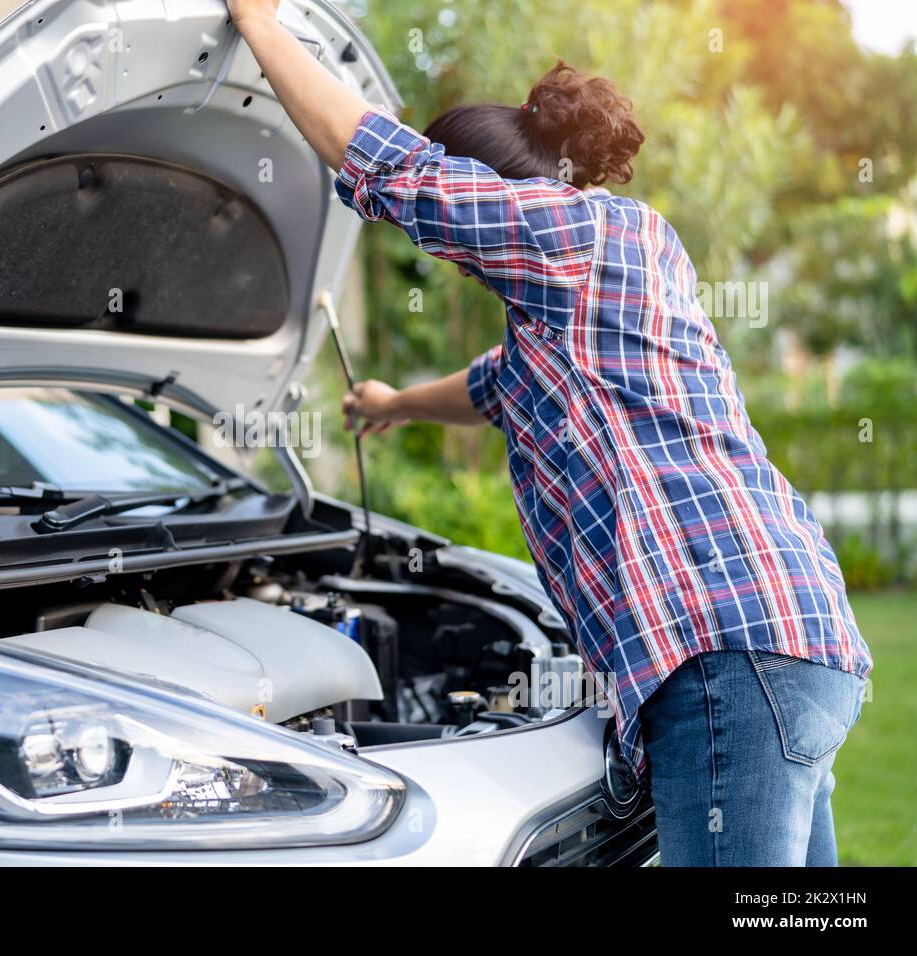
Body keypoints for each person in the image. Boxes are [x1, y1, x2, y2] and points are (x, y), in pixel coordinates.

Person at [226, 0, 872, 866]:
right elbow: (494, 387)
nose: (451, 261)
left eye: (455, 245)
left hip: (726, 651)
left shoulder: (573, 232)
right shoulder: (578, 304)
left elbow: (394, 167)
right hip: (780, 641)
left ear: (495, 192)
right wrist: (394, 403)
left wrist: (260, 23)